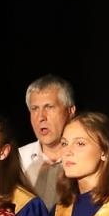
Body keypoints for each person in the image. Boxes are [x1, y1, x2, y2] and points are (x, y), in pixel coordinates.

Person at [19, 75, 76, 206]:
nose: (41, 117)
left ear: (70, 110)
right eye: (34, 109)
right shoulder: (18, 160)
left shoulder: (86, 159)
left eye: (49, 107)